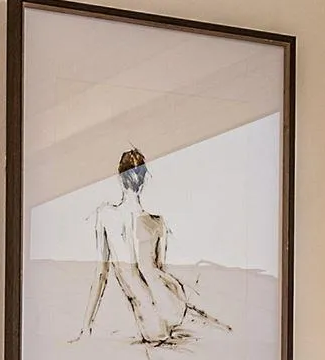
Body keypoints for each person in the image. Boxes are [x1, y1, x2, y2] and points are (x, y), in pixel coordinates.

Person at [77, 147, 225, 347]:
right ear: (144, 180)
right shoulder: (157, 223)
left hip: (151, 324)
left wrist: (86, 326)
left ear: (120, 178)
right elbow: (159, 269)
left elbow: (101, 275)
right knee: (206, 321)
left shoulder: (105, 216)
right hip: (173, 303)